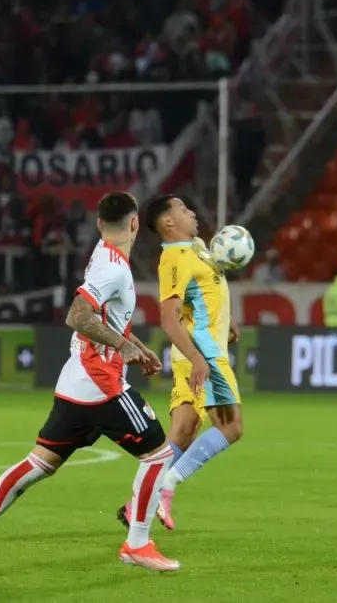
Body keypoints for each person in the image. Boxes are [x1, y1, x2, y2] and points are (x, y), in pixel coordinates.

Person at [0, 192, 180, 575]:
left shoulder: (102, 254)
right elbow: (77, 315)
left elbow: (102, 317)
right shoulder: (115, 269)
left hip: (75, 382)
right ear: (136, 223)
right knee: (159, 454)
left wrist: (137, 347)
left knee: (40, 463)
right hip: (101, 385)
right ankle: (138, 543)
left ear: (99, 225)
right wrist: (123, 345)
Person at [114, 194, 243, 531]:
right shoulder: (173, 259)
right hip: (203, 355)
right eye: (184, 209)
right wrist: (199, 358)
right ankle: (166, 487)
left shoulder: (198, 245)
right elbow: (168, 319)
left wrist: (225, 320)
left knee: (184, 431)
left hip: (204, 350)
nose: (193, 211)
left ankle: (135, 506)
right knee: (231, 428)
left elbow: (206, 291)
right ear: (168, 222)